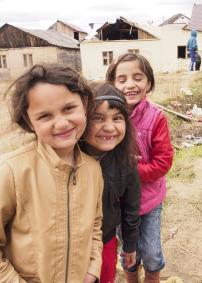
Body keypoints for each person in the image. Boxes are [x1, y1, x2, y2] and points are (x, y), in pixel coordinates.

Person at [0, 65, 104, 282]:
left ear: (84, 104)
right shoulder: (10, 171)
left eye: (69, 108)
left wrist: (92, 269)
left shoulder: (93, 169)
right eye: (45, 116)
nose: (62, 123)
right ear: (29, 121)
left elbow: (95, 224)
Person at [106, 53, 174, 282]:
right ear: (112, 85)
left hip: (149, 201)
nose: (130, 84)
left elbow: (163, 162)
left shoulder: (156, 118)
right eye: (122, 79)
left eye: (138, 77)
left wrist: (131, 172)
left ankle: (153, 277)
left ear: (149, 84)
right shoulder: (107, 120)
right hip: (121, 204)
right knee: (128, 253)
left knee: (152, 252)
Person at [81, 84, 140, 283]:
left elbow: (131, 208)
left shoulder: (127, 162)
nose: (109, 127)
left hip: (106, 241)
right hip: (71, 247)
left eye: (117, 118)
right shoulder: (69, 158)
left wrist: (130, 245)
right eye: (97, 118)